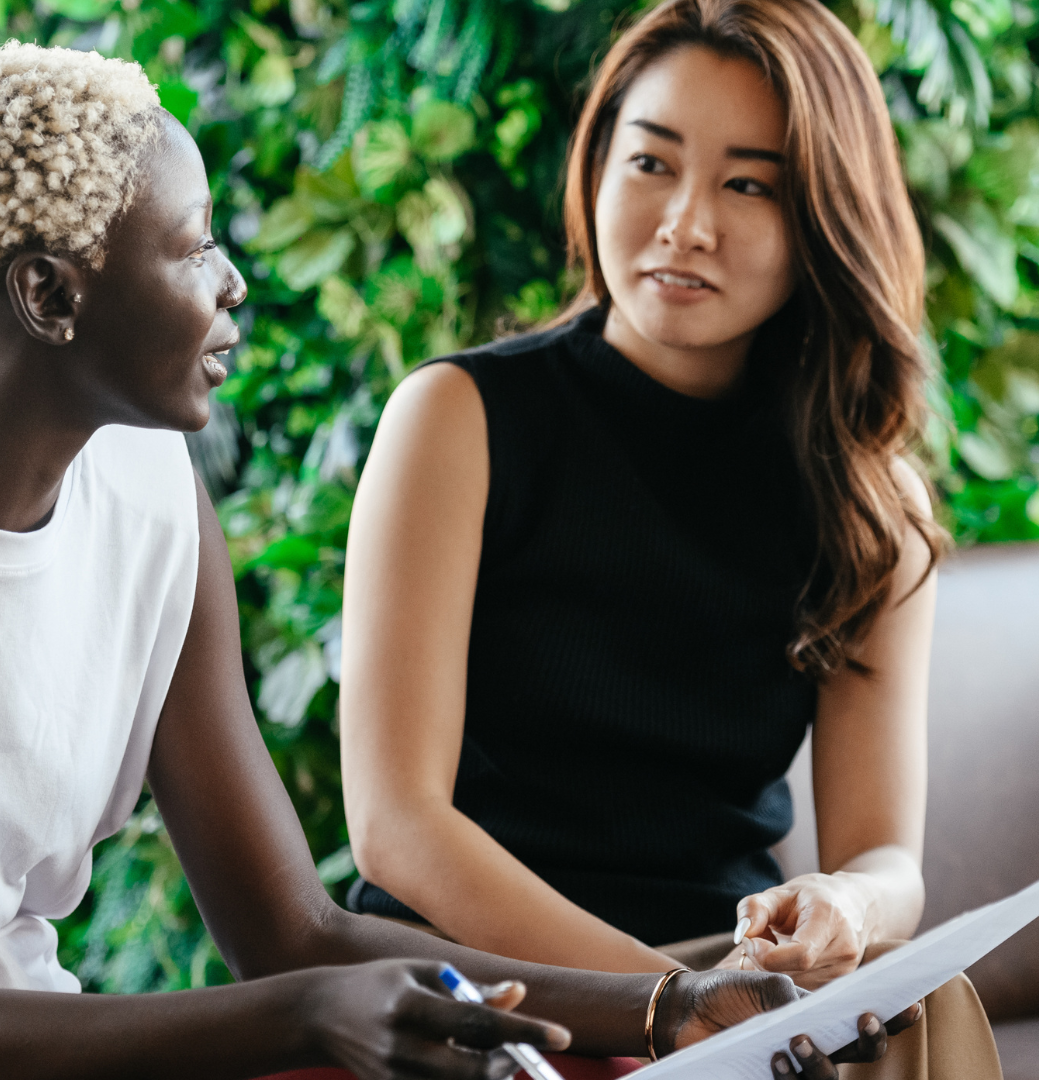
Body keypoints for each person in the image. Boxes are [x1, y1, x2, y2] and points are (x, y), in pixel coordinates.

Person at [0, 41, 910, 1080]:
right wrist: (299, 1023)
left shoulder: (154, 500)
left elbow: (295, 930)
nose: (233, 287)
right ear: (51, 295)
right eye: (194, 244)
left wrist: (670, 1009)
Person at [338, 0, 1001, 1075]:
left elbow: (889, 858)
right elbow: (398, 828)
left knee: (927, 1005)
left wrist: (846, 903)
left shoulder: (868, 501)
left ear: (823, 219)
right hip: (491, 977)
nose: (685, 222)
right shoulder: (459, 420)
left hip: (721, 982)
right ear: (597, 169)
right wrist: (668, 1003)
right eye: (651, 163)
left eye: (748, 184)